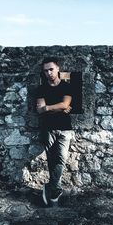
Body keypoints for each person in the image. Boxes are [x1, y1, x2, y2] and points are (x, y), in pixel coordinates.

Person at [36, 57, 75, 206]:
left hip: (65, 128)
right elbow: (40, 110)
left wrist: (48, 107)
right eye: (46, 70)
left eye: (51, 69)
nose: (49, 73)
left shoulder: (66, 87)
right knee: (52, 160)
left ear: (57, 69)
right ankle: (55, 190)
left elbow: (65, 104)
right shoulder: (41, 89)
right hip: (47, 129)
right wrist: (59, 108)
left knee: (61, 159)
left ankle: (52, 187)